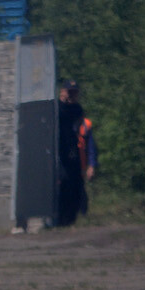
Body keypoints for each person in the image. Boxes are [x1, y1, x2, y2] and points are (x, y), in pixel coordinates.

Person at [55, 79, 95, 226]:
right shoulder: (56, 108)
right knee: (63, 183)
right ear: (63, 91)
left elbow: (85, 134)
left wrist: (90, 162)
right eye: (69, 92)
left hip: (74, 153)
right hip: (59, 154)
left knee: (76, 184)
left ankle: (74, 218)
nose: (72, 95)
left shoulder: (77, 109)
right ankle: (61, 218)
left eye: (75, 93)